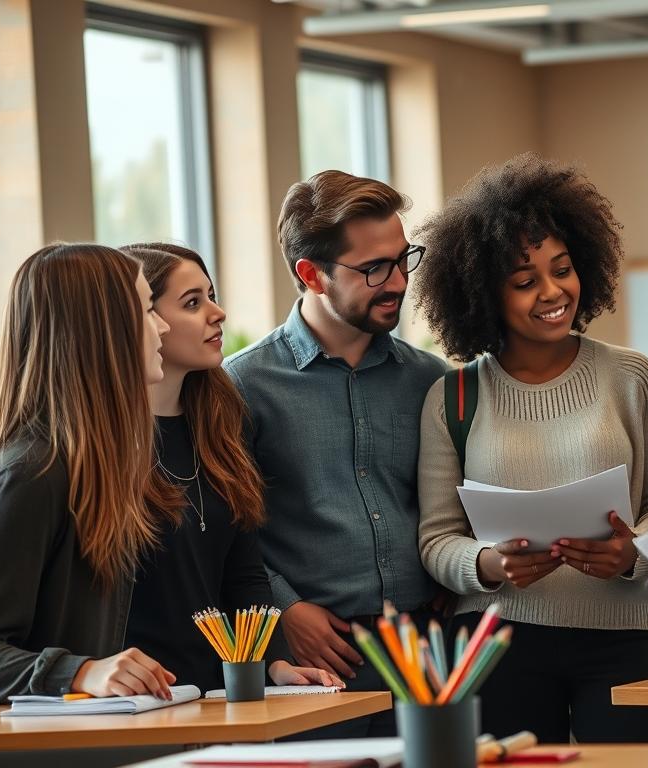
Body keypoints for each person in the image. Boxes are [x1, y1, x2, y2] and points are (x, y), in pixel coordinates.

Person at [413, 153, 648, 744]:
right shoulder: (452, 398)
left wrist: (634, 554)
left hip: (623, 639)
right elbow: (436, 539)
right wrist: (487, 564)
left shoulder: (631, 377)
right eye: (524, 282)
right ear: (484, 294)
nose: (552, 291)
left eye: (562, 269)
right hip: (496, 644)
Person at [223, 172, 446, 736]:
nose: (399, 282)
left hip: (429, 654)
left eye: (403, 260)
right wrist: (284, 609)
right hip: (314, 665)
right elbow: (224, 529)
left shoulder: (430, 380)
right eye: (374, 269)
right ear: (311, 274)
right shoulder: (241, 385)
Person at [0, 243, 177, 707]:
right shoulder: (30, 473)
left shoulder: (92, 468)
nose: (162, 326)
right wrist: (82, 671)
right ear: (101, 331)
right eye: (146, 310)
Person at [122, 243, 340, 693]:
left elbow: (244, 573)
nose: (217, 313)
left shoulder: (221, 421)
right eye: (192, 303)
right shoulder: (106, 448)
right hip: (135, 701)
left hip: (221, 694)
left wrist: (273, 663)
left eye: (211, 296)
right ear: (143, 319)